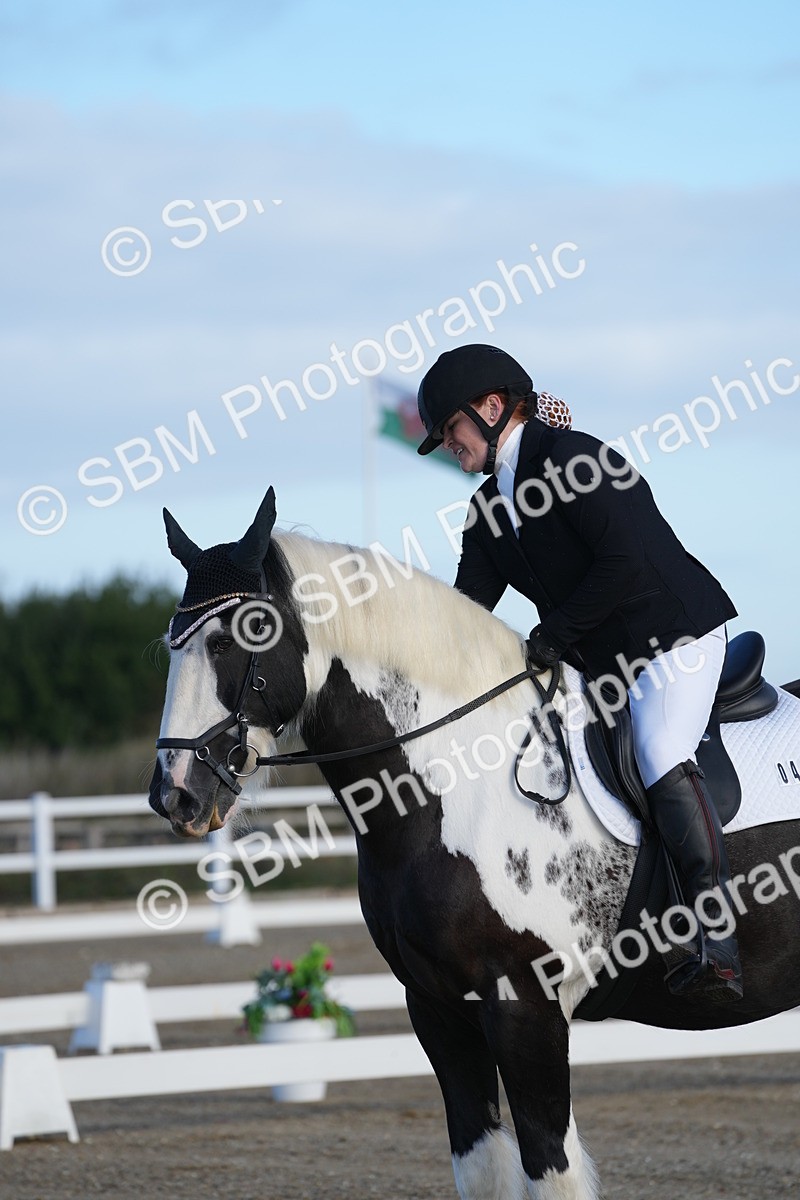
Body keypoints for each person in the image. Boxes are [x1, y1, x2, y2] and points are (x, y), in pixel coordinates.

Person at [416, 343, 742, 1006]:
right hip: (604, 664)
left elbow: (622, 562)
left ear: (491, 407)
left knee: (659, 749)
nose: (448, 444)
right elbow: (464, 613)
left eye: (450, 429)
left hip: (673, 637)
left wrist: (554, 635)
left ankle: (719, 936)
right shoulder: (485, 514)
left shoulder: (573, 459)